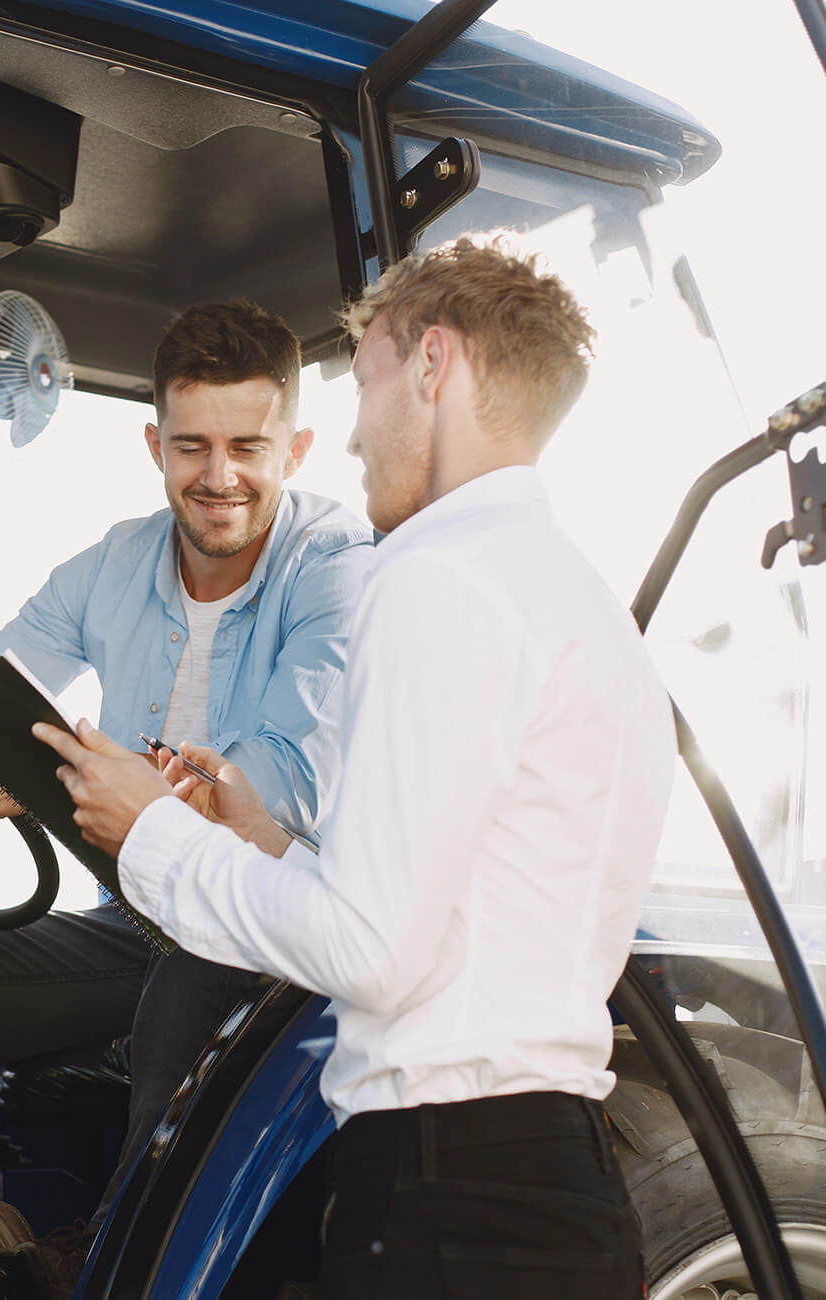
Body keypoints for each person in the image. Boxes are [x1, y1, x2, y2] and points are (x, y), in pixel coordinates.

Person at [34, 236, 675, 1299]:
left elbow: (368, 952)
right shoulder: (577, 600)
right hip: (553, 1191)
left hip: (441, 1196)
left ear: (432, 364)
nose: (353, 436)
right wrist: (263, 840)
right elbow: (445, 918)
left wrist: (152, 831)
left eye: (367, 383)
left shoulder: (434, 576)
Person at [0, 300, 374, 1300]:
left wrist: (46, 774)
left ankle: (109, 1263)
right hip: (135, 922)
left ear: (295, 450)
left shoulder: (338, 568)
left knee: (194, 974)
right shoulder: (114, 565)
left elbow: (276, 775)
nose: (218, 475)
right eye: (192, 446)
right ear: (155, 445)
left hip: (272, 930)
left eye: (246, 448)